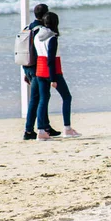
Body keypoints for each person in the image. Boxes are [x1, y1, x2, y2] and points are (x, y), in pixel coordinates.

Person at [34, 12, 81, 141]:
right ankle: (67, 128)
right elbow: (51, 59)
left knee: (43, 100)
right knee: (67, 97)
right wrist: (53, 78)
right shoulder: (52, 38)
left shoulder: (37, 35)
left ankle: (41, 131)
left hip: (40, 70)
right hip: (53, 71)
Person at [22, 4, 60, 140]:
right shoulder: (40, 30)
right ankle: (35, 129)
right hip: (37, 67)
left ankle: (42, 127)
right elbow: (40, 52)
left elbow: (25, 50)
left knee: (36, 99)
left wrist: (25, 71)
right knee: (41, 98)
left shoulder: (27, 27)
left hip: (27, 66)